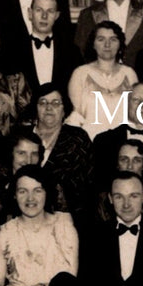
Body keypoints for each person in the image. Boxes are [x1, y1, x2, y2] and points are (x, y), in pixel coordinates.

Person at [31, 83, 95, 224]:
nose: (49, 108)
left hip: (70, 217)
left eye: (56, 103)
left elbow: (89, 184)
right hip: (25, 215)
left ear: (64, 109)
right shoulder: (22, 136)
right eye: (43, 102)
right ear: (35, 108)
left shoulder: (78, 139)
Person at [67, 20, 139, 139]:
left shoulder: (129, 74)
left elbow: (135, 114)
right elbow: (75, 116)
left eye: (113, 39)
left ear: (120, 44)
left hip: (123, 145)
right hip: (90, 143)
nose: (107, 44)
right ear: (93, 44)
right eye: (101, 39)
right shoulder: (80, 73)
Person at [9, 0, 83, 91]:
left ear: (57, 16)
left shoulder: (72, 52)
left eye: (50, 11)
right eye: (39, 10)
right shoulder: (14, 52)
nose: (44, 16)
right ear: (30, 13)